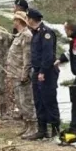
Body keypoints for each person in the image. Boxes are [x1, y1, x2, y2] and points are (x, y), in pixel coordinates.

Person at [22, 9, 61, 140]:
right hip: (37, 71)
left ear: (32, 19)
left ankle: (55, 130)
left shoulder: (46, 33)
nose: (26, 21)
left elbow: (48, 55)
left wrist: (43, 72)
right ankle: (42, 130)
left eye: (27, 18)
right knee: (38, 101)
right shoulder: (36, 33)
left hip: (46, 72)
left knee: (49, 100)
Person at [6, 11, 35, 137]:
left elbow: (27, 57)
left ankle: (33, 126)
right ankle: (26, 125)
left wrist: (25, 73)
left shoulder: (26, 35)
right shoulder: (19, 35)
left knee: (26, 101)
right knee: (19, 101)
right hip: (15, 73)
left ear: (19, 21)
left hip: (21, 74)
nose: (13, 22)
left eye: (15, 20)